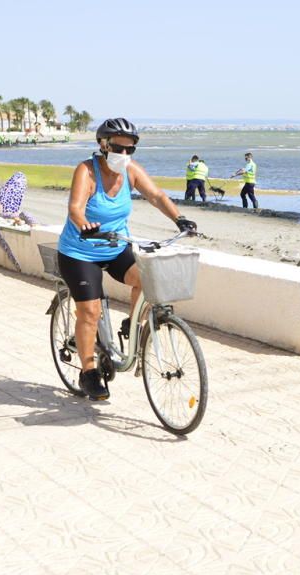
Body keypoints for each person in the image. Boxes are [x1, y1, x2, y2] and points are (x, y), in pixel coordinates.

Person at [57, 117, 196, 400]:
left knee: (147, 279)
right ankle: (88, 372)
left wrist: (180, 219)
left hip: (116, 245)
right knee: (90, 311)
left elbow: (156, 195)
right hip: (80, 251)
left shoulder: (131, 171)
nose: (123, 155)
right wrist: (85, 224)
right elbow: (75, 207)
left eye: (129, 150)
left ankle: (130, 322)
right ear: (102, 144)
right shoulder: (87, 171)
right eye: (118, 149)